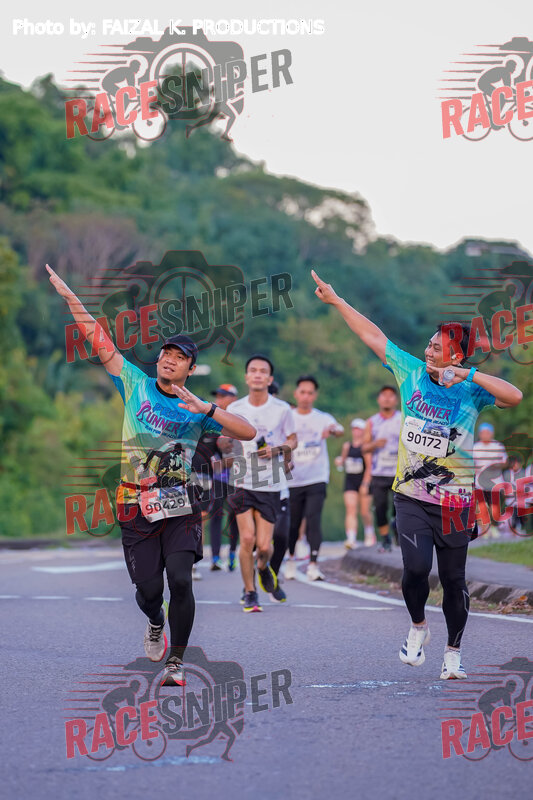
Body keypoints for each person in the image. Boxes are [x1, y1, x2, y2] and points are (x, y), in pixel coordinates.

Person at [46, 264, 255, 687]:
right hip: (133, 501)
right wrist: (71, 299)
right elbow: (99, 338)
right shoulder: (133, 382)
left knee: (180, 579)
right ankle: (155, 621)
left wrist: (209, 409)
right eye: (166, 354)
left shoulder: (197, 408)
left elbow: (248, 432)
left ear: (190, 369)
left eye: (180, 358)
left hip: (179, 501)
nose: (169, 360)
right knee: (148, 591)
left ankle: (176, 662)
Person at [312, 269, 522, 680]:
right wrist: (337, 301)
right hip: (411, 495)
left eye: (437, 347)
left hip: (456, 503)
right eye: (429, 343)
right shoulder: (409, 371)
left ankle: (453, 652)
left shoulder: (472, 390)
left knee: (454, 580)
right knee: (414, 568)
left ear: (455, 356)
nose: (428, 350)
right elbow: (373, 335)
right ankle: (418, 626)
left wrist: (468, 375)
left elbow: (513, 396)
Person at [226, 354, 297, 612]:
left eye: (262, 371)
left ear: (269, 379)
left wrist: (277, 450)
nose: (257, 374)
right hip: (242, 481)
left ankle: (263, 567)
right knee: (247, 539)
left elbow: (293, 440)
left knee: (265, 546)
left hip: (270, 483)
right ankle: (250, 592)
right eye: (253, 370)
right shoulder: (234, 409)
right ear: (246, 377)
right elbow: (225, 440)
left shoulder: (282, 409)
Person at [283, 375, 344, 580]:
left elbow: (339, 429)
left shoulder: (322, 418)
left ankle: (313, 565)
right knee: (293, 523)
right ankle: (291, 560)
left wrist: (333, 430)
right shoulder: (288, 417)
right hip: (292, 479)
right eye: (303, 392)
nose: (306, 396)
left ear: (315, 396)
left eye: (310, 393)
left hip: (317, 477)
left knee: (313, 519)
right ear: (296, 394)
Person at [192, 384, 240, 571]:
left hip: (238, 477)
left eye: (224, 396)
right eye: (218, 396)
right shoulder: (211, 419)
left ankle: (233, 553)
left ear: (233, 398)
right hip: (218, 478)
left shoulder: (240, 417)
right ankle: (215, 558)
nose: (219, 399)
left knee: (235, 516)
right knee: (215, 515)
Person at [362, 386, 401, 552]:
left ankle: (397, 529)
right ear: (379, 399)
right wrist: (374, 444)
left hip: (399, 472)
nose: (387, 399)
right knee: (379, 508)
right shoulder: (372, 422)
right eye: (384, 395)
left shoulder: (403, 419)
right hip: (379, 472)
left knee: (399, 508)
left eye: (391, 396)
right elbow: (364, 448)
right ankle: (385, 539)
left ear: (396, 400)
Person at [335, 418, 375, 548]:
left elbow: (369, 466)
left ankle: (369, 533)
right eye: (354, 429)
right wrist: (339, 461)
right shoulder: (347, 446)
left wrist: (365, 483)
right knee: (351, 508)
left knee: (364, 511)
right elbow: (343, 460)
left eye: (359, 429)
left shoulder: (365, 447)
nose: (356, 432)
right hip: (350, 480)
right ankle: (351, 538)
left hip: (363, 481)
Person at [473, 422, 508, 539]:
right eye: (483, 433)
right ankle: (484, 530)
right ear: (480, 434)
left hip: (495, 482)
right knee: (481, 507)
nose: (485, 435)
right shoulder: (476, 447)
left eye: (487, 433)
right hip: (480, 483)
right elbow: (471, 463)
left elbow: (505, 462)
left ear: (492, 433)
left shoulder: (498, 446)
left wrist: (496, 465)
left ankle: (493, 526)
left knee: (494, 508)